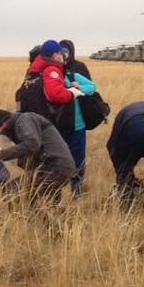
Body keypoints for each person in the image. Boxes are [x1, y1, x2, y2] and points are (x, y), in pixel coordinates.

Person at [0, 109, 77, 203]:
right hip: (57, 167)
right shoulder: (24, 122)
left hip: (55, 167)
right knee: (39, 202)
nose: (5, 135)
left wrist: (2, 154)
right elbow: (31, 151)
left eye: (2, 132)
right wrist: (4, 156)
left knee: (13, 191)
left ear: (4, 124)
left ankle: (27, 217)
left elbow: (32, 144)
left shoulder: (24, 120)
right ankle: (42, 216)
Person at [58, 39, 99, 193]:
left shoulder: (78, 68)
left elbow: (92, 88)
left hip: (77, 120)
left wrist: (78, 87)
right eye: (60, 51)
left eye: (66, 50)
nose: (63, 54)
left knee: (78, 158)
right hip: (59, 123)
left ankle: (77, 189)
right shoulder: (52, 71)